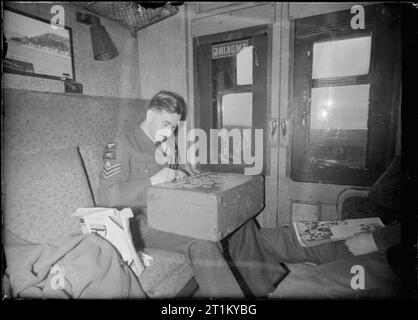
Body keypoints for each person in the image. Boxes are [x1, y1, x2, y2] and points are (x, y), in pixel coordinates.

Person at [97, 90, 286, 298]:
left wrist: (181, 175)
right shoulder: (121, 145)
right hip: (141, 223)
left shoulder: (165, 143)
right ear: (150, 115)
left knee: (236, 217)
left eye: (174, 127)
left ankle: (262, 287)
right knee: (202, 242)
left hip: (170, 211)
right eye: (166, 124)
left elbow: (172, 178)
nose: (170, 132)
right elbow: (107, 197)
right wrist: (152, 181)